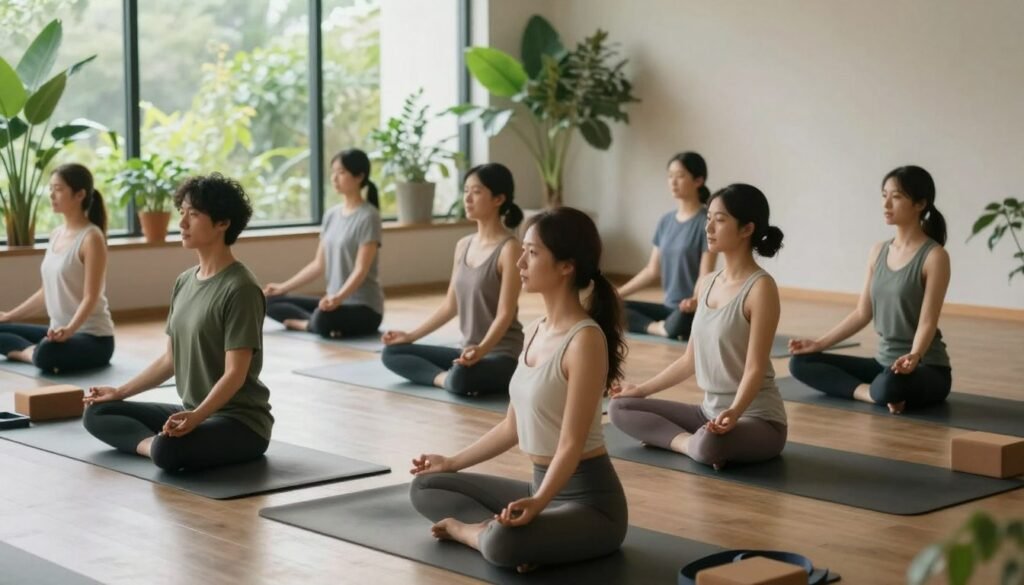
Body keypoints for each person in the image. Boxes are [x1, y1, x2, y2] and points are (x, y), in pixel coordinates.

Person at [408, 207, 628, 571]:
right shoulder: (534, 330)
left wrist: (540, 502)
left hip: (591, 505)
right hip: (538, 488)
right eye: (522, 250)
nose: (521, 262)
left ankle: (475, 533)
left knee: (503, 542)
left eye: (533, 252)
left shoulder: (585, 340)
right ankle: (526, 538)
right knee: (427, 487)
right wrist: (450, 462)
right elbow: (511, 426)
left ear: (566, 266)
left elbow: (571, 444)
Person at [83, 173, 273, 472]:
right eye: (181, 213)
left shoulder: (241, 288)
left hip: (239, 423)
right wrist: (118, 393)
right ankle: (154, 447)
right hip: (193, 413)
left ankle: (163, 447)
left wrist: (197, 416)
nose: (182, 223)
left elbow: (236, 373)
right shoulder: (184, 281)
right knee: (98, 412)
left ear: (223, 223)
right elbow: (170, 360)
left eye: (193, 215)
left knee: (172, 450)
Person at [609, 184, 788, 469]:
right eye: (708, 219)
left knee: (711, 442)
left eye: (720, 220)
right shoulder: (706, 283)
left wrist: (734, 412)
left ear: (746, 229)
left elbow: (755, 368)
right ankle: (688, 445)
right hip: (707, 415)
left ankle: (693, 444)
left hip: (757, 419)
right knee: (620, 407)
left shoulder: (761, 288)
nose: (709, 228)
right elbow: (689, 359)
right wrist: (641, 390)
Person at [789, 165, 951, 414]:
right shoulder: (878, 251)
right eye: (884, 195)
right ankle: (869, 394)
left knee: (890, 384)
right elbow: (862, 313)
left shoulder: (934, 256)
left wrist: (914, 356)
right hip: (882, 363)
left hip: (925, 368)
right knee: (800, 363)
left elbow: (927, 322)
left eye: (896, 197)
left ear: (920, 204)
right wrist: (818, 343)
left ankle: (880, 391)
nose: (886, 204)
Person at [381, 164, 524, 395]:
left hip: (501, 355)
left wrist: (482, 349)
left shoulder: (510, 249)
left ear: (498, 199)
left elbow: (505, 314)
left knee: (463, 377)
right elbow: (450, 306)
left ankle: (451, 379)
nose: (467, 198)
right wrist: (409, 336)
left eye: (476, 192)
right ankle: (445, 379)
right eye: (466, 190)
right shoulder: (463, 245)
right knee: (392, 353)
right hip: (466, 353)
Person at [0, 163, 114, 373]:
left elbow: (91, 296)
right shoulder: (56, 234)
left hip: (93, 338)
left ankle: (33, 354)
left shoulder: (92, 238)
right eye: (51, 188)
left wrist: (70, 329)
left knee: (47, 352)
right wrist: (8, 316)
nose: (52, 195)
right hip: (57, 332)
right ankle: (33, 353)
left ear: (79, 194)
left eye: (59, 189)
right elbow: (46, 292)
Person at [263, 149, 384, 338]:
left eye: (341, 172)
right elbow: (318, 265)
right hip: (333, 303)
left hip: (364, 308)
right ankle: (316, 323)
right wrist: (283, 287)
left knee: (324, 317)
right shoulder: (332, 215)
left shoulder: (369, 216)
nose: (334, 178)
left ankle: (309, 324)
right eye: (333, 172)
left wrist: (338, 297)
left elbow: (361, 270)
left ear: (360, 176)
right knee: (268, 302)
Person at [618, 152, 716, 340]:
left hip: (688, 309)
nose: (673, 182)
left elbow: (705, 274)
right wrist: (616, 293)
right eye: (670, 176)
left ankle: (665, 327)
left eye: (680, 176)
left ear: (698, 180)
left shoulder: (706, 222)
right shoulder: (666, 221)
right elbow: (652, 270)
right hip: (668, 308)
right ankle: (659, 328)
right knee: (611, 308)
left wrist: (695, 300)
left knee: (683, 320)